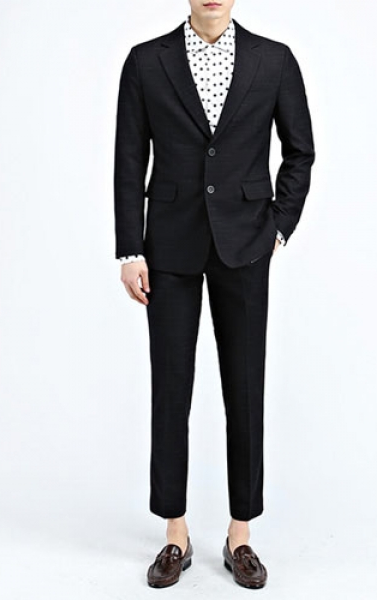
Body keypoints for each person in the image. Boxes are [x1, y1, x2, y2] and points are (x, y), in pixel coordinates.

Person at [113, 0, 315, 589]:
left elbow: (300, 152)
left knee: (245, 388)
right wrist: (130, 250)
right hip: (168, 247)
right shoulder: (145, 62)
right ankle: (175, 534)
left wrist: (277, 227)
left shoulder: (273, 61)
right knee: (170, 387)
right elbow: (129, 158)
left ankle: (240, 534)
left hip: (246, 244)